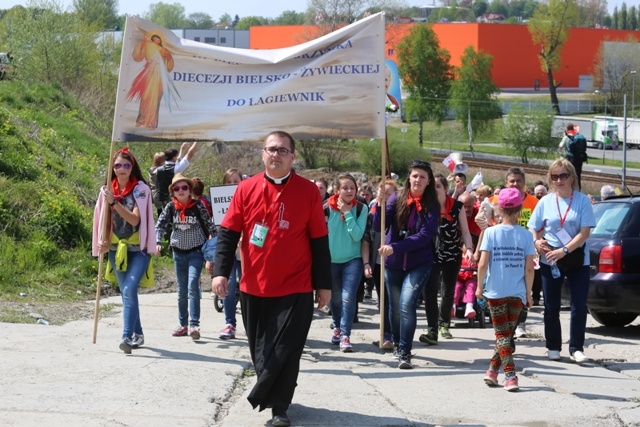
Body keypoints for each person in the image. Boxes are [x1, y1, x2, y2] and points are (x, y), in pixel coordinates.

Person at [211, 131, 331, 427]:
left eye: (282, 150)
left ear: (293, 156)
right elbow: (228, 235)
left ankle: (278, 406)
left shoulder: (307, 192)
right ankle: (271, 392)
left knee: (286, 348)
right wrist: (220, 273)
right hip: (254, 284)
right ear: (263, 154)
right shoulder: (245, 189)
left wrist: (324, 284)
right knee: (260, 348)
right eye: (270, 149)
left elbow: (319, 240)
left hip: (296, 284)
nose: (275, 155)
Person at [528, 159, 596, 364]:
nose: (559, 180)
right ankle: (553, 346)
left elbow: (585, 233)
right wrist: (536, 241)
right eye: (555, 176)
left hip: (576, 259)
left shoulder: (582, 201)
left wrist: (564, 250)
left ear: (572, 178)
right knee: (551, 305)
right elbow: (533, 226)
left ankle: (576, 348)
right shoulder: (546, 201)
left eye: (563, 175)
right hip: (550, 259)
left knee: (578, 304)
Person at [373, 160, 439, 369]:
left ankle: (405, 350)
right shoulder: (396, 198)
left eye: (422, 176)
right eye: (414, 176)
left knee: (406, 304)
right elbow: (378, 226)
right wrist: (379, 205)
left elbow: (424, 236)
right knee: (394, 308)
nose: (417, 180)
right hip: (393, 263)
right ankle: (397, 343)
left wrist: (396, 247)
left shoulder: (432, 206)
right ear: (409, 178)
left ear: (428, 181)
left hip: (419, 263)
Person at [92, 147, 157, 354]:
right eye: (118, 165)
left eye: (126, 165)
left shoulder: (140, 189)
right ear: (112, 168)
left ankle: (127, 336)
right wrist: (102, 241)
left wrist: (115, 203)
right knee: (127, 293)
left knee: (128, 290)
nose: (122, 169)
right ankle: (138, 333)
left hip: (138, 249)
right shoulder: (106, 191)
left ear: (132, 168)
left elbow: (135, 219)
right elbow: (103, 220)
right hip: (114, 248)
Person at [477, 187, 535, 392]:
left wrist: (478, 287)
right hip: (517, 293)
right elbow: (529, 268)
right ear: (520, 210)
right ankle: (497, 373)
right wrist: (528, 293)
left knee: (503, 335)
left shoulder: (490, 233)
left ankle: (507, 375)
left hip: (496, 292)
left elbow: (482, 264)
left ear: (498, 209)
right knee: (506, 335)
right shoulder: (527, 236)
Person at [156, 174, 216, 340]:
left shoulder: (198, 206)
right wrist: (157, 242)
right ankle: (183, 324)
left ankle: (194, 325)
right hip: (178, 253)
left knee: (192, 285)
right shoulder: (170, 208)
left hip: (196, 252)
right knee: (182, 290)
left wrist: (214, 251)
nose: (181, 191)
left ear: (190, 190)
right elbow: (159, 226)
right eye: (177, 188)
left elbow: (211, 227)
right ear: (172, 192)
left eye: (184, 187)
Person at [419, 174, 475, 344]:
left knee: (448, 291)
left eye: (437, 186)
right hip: (432, 254)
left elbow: (465, 231)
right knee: (430, 291)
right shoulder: (426, 206)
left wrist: (470, 250)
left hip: (452, 254)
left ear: (445, 188)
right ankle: (432, 329)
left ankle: (444, 324)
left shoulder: (456, 206)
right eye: (432, 187)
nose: (434, 190)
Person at [326, 174, 368, 352]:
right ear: (337, 190)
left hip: (353, 260)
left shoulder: (360, 209)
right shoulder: (325, 209)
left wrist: (347, 214)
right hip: (331, 261)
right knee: (335, 298)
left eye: (352, 188)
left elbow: (358, 235)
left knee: (348, 296)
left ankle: (345, 334)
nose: (349, 191)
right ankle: (336, 326)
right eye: (345, 188)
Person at [362, 180, 398, 350]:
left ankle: (398, 335)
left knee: (395, 301)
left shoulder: (400, 214)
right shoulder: (372, 214)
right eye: (383, 193)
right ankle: (387, 335)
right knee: (383, 301)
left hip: (396, 264)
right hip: (379, 263)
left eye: (390, 193)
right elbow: (367, 240)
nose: (386, 196)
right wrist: (367, 263)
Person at [126, 32, 175, 130]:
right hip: (148, 72)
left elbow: (169, 66)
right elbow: (138, 57)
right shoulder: (147, 45)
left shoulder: (164, 50)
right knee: (145, 96)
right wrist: (143, 43)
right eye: (155, 38)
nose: (157, 40)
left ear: (160, 41)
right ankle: (141, 120)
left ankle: (152, 123)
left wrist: (168, 57)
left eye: (158, 39)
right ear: (152, 39)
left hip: (159, 74)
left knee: (155, 99)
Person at [216, 168, 244, 340]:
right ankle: (230, 323)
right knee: (230, 285)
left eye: (236, 181)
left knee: (248, 288)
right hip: (229, 252)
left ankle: (251, 323)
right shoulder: (219, 202)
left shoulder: (249, 198)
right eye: (229, 182)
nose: (233, 185)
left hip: (246, 251)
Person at [154, 142, 200, 215]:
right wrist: (198, 140)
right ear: (174, 158)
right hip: (174, 202)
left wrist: (182, 149)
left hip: (162, 202)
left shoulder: (159, 169)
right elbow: (190, 154)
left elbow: (177, 161)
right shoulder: (176, 169)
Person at [453, 246, 478, 319]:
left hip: (469, 278)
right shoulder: (458, 257)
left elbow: (477, 268)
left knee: (472, 285)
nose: (469, 248)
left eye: (471, 247)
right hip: (459, 278)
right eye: (466, 247)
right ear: (461, 248)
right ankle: (453, 306)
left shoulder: (473, 258)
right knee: (456, 286)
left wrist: (475, 273)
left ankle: (469, 306)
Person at [559, 123, 586, 190]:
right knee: (578, 175)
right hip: (580, 159)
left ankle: (570, 189)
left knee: (569, 175)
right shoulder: (579, 136)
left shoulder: (567, 137)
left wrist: (564, 136)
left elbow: (560, 146)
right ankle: (578, 190)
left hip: (570, 160)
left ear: (567, 129)